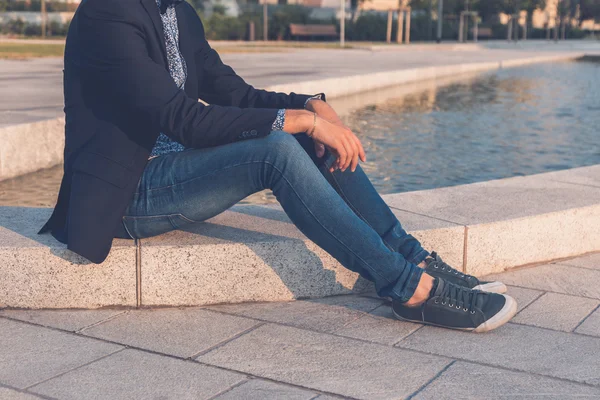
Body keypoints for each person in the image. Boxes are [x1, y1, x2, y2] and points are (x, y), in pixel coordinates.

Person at [39, 0, 517, 332]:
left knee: (305, 136)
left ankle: (411, 256)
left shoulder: (178, 13)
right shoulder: (108, 13)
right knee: (278, 145)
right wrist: (299, 121)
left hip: (178, 170)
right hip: (128, 191)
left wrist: (310, 105)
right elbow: (184, 120)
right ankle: (407, 289)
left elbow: (235, 94)